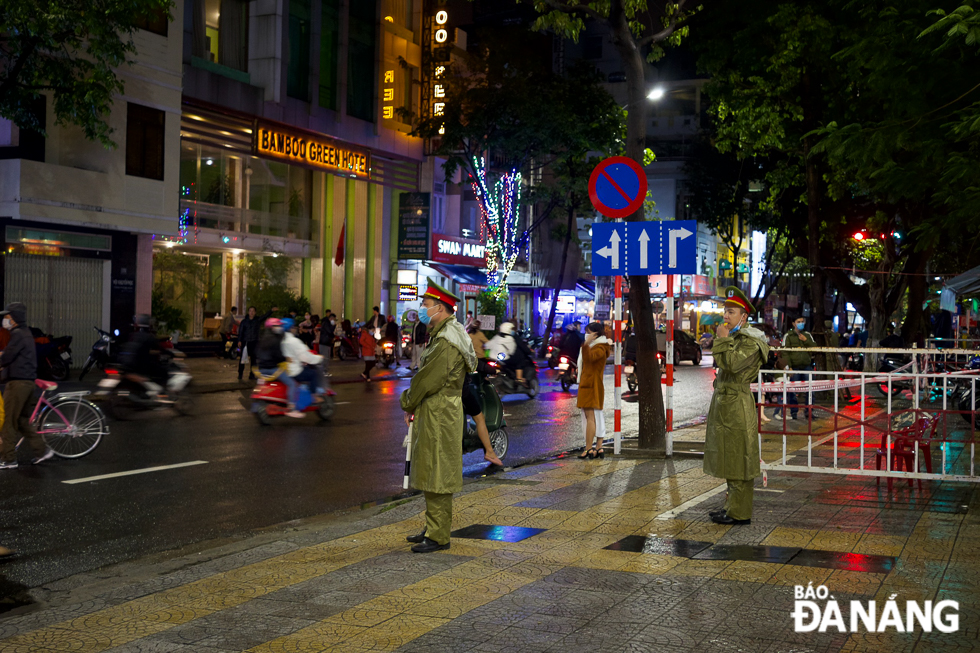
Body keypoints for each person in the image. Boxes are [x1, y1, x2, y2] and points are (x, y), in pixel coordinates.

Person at [401, 283, 477, 553]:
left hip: (441, 413)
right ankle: (433, 526)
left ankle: (438, 535)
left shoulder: (447, 340)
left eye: (426, 305)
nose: (422, 309)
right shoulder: (444, 333)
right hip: (437, 411)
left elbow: (428, 379)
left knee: (438, 472)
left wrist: (408, 400)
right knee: (431, 468)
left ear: (440, 308)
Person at [704, 286, 770, 526]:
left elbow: (731, 363)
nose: (725, 316)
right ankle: (731, 507)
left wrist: (722, 339)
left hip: (738, 405)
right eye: (725, 311)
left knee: (740, 458)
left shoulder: (752, 341)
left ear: (744, 316)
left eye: (731, 312)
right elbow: (723, 362)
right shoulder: (735, 337)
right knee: (729, 457)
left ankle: (740, 513)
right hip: (725, 404)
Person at [0, 302, 55, 469]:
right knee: (23, 421)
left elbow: (7, 357)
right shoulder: (25, 333)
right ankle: (42, 451)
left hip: (17, 384)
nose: (5, 319)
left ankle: (8, 459)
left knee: (9, 422)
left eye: (7, 316)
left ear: (15, 318)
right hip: (27, 383)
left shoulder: (18, 334)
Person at [576, 322, 612, 459]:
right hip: (588, 384)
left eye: (589, 332)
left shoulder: (600, 348)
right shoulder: (595, 346)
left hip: (592, 385)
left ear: (595, 334)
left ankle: (589, 448)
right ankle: (595, 447)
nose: (586, 335)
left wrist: (586, 344)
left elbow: (589, 358)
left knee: (591, 417)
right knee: (590, 417)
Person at [280, 318, 325, 417]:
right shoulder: (293, 341)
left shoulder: (283, 341)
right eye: (294, 327)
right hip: (295, 370)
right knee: (313, 374)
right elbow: (305, 356)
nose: (295, 328)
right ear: (291, 328)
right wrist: (318, 358)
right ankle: (314, 396)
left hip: (287, 370)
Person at [119, 314, 168, 396]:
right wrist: (168, 353)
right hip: (140, 365)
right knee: (164, 372)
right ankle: (162, 394)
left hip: (126, 363)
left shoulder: (132, 335)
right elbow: (159, 349)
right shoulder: (149, 337)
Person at [777, 315, 816, 420]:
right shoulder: (788, 336)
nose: (801, 323)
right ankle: (794, 412)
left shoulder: (807, 335)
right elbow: (785, 353)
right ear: (794, 323)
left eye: (802, 321)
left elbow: (814, 347)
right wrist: (788, 367)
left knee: (811, 389)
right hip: (794, 367)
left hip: (807, 366)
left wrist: (805, 340)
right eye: (798, 321)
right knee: (793, 391)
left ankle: (809, 411)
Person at [256, 318, 296, 409]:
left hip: (261, 369)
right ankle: (292, 406)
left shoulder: (263, 338)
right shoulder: (275, 339)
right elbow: (278, 356)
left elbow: (257, 353)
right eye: (276, 326)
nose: (279, 327)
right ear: (271, 327)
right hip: (272, 369)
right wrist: (286, 359)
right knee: (292, 383)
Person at [237, 306, 274, 381]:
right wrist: (239, 340)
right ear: (248, 312)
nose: (251, 312)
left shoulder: (257, 320)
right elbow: (241, 331)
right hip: (245, 342)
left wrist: (271, 311)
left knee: (254, 360)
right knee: (242, 359)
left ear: (255, 312)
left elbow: (264, 316)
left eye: (253, 311)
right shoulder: (244, 321)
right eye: (250, 311)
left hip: (254, 342)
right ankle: (240, 374)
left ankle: (252, 375)